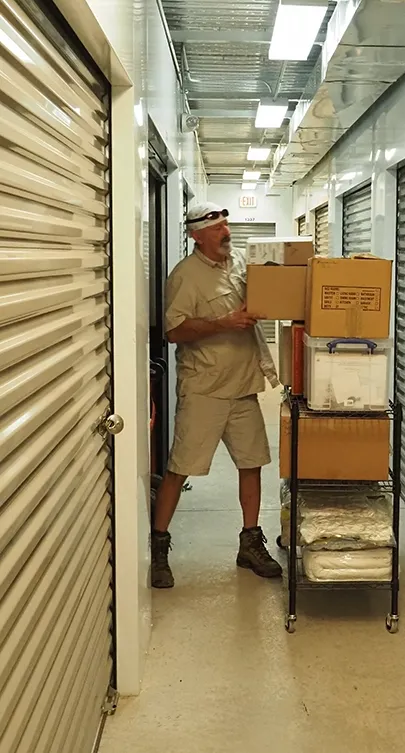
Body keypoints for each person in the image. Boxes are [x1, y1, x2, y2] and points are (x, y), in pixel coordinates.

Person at [151, 202, 283, 588]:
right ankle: (159, 548)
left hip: (243, 385)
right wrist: (221, 323)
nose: (226, 233)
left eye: (226, 225)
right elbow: (174, 332)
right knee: (179, 468)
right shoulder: (184, 277)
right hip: (204, 389)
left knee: (251, 463)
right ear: (196, 235)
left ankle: (250, 543)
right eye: (217, 229)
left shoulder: (240, 262)